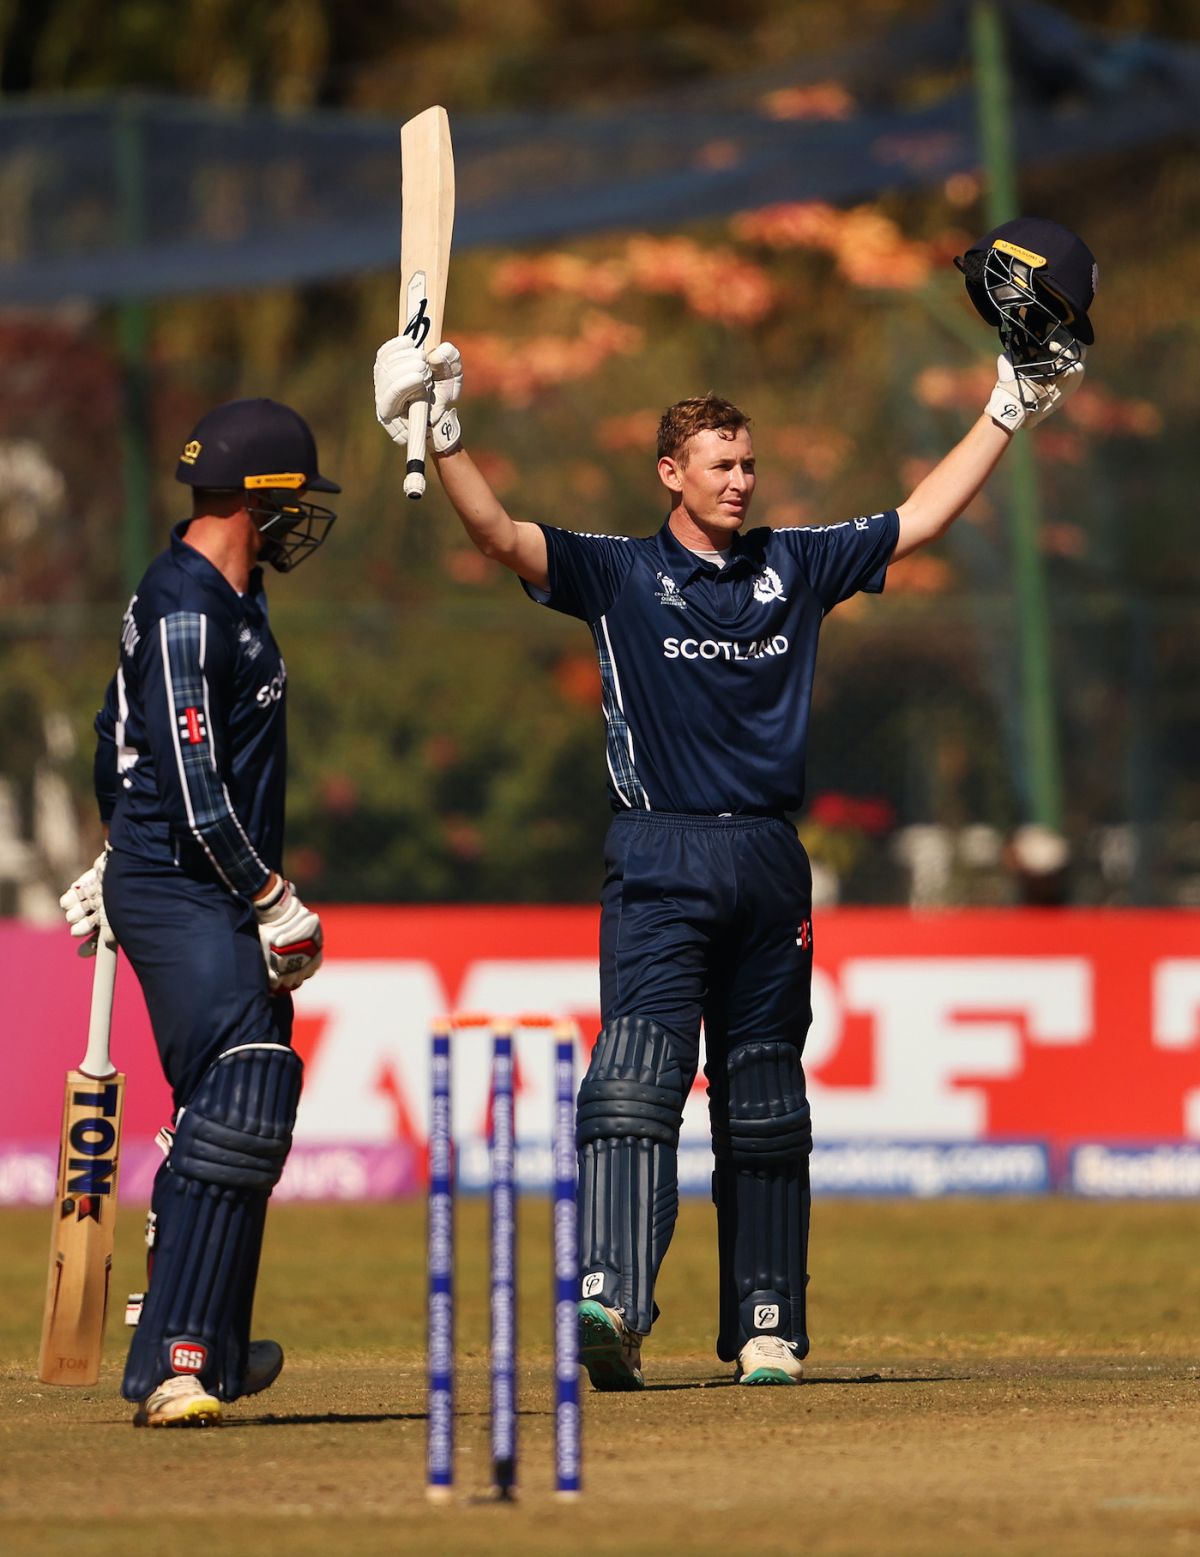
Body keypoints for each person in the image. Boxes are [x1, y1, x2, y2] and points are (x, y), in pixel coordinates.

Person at [371, 227, 1088, 1389]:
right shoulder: (614, 575)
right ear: (671, 473)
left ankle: (765, 1321)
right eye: (720, 466)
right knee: (634, 1083)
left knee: (764, 1102)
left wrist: (1010, 405)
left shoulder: (793, 565)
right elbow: (499, 534)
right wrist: (440, 430)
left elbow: (920, 519)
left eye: (748, 464)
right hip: (658, 855)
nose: (742, 481)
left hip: (766, 858)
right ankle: (610, 1300)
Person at [57, 398, 335, 1426]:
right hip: (190, 882)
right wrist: (266, 894)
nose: (299, 517)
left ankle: (206, 1342)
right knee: (243, 1083)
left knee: (248, 1101)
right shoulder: (187, 609)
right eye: (290, 498)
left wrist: (106, 838)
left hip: (183, 876)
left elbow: (107, 729)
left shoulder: (231, 593)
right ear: (255, 500)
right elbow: (188, 776)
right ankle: (171, 1362)